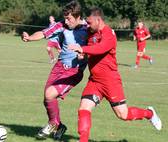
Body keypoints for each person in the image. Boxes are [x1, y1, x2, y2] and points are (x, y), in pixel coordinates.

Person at [68, 7, 162, 142]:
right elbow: (91, 49)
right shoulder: (90, 32)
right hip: (95, 81)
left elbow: (100, 49)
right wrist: (83, 54)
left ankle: (149, 114)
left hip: (110, 82)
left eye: (89, 22)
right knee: (84, 108)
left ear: (98, 20)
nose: (87, 25)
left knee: (123, 114)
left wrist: (82, 48)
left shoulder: (109, 34)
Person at [22, 1, 88, 140]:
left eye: (69, 18)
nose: (66, 21)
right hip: (58, 67)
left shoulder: (89, 29)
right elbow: (44, 33)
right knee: (47, 99)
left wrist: (85, 54)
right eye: (65, 17)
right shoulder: (61, 25)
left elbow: (96, 46)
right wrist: (30, 38)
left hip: (74, 71)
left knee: (49, 94)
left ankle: (52, 124)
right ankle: (59, 126)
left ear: (78, 17)